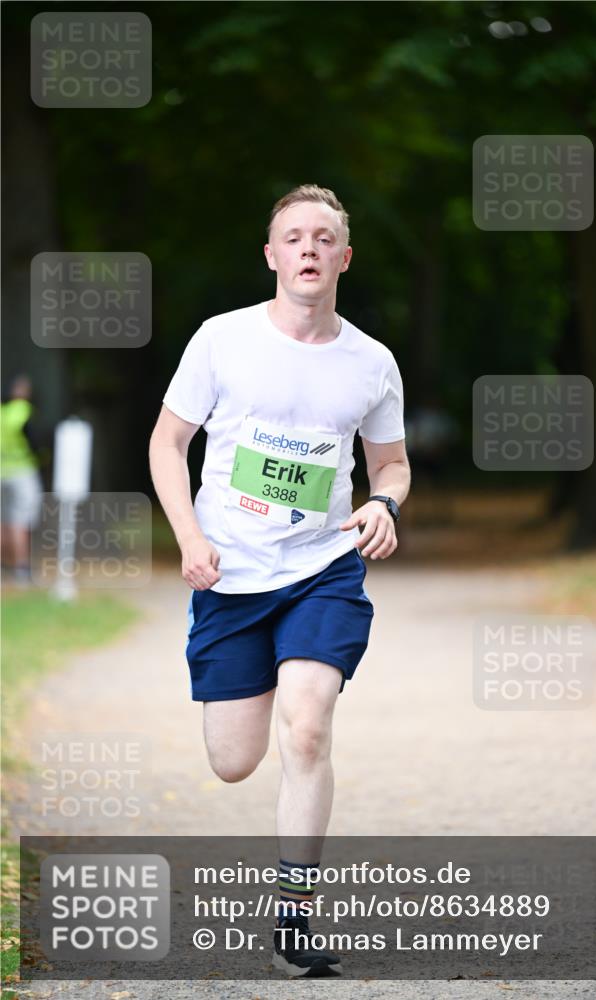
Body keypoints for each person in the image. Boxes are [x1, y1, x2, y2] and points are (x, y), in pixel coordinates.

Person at [149, 184, 410, 977]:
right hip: (227, 573)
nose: (306, 248)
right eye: (292, 236)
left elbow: (389, 463)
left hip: (321, 570)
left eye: (322, 238)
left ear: (342, 258)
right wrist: (189, 539)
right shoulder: (220, 341)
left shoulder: (370, 362)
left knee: (308, 725)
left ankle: (293, 918)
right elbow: (167, 445)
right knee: (234, 760)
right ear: (271, 255)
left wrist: (383, 504)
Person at [1, 375, 44, 587]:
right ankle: (21, 569)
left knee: (3, 521)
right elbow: (35, 443)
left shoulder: (3, 412)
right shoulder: (24, 412)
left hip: (2, 473)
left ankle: (3, 566)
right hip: (22, 472)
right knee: (20, 521)